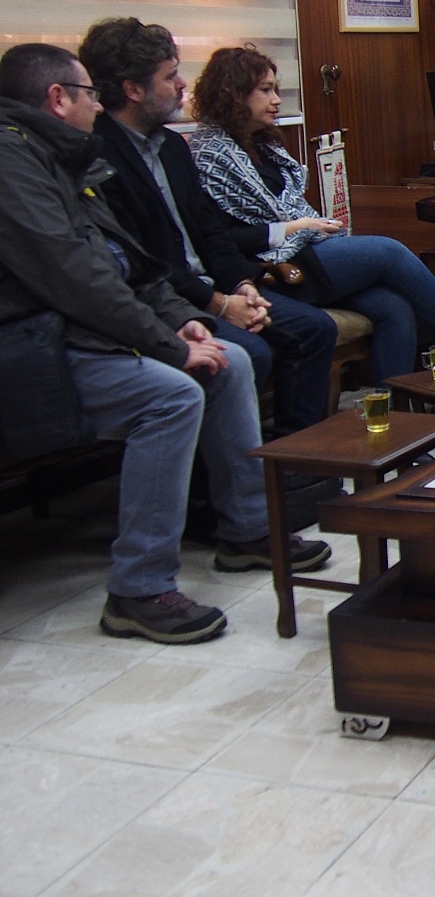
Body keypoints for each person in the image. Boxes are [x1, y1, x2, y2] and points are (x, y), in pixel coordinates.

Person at [0, 44, 331, 644]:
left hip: (79, 331)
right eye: (87, 94)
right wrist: (169, 346)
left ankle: (247, 530)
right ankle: (139, 587)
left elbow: (132, 264)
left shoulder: (63, 156)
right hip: (30, 349)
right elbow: (74, 278)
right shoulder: (13, 165)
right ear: (58, 99)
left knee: (228, 362)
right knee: (172, 395)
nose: (96, 105)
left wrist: (180, 320)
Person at [187, 46, 435, 385]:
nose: (277, 100)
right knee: (389, 252)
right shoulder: (209, 156)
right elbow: (222, 240)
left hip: (304, 247)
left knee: (394, 308)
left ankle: (395, 416)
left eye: (276, 89)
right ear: (234, 94)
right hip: (271, 267)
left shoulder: (263, 146)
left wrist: (305, 227)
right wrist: (293, 227)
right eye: (265, 90)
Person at [78, 18, 338, 432]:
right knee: (249, 354)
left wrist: (242, 285)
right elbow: (145, 263)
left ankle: (294, 454)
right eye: (170, 76)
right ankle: (221, 470)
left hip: (215, 285)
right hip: (166, 300)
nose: (182, 84)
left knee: (315, 328)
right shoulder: (100, 158)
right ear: (133, 90)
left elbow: (208, 230)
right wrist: (218, 304)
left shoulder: (171, 147)